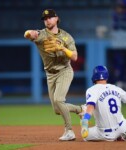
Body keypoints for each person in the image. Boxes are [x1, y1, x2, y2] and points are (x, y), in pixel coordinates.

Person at [24, 9, 85, 141]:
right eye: (45, 19)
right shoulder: (41, 35)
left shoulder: (66, 37)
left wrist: (62, 48)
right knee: (58, 110)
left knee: (59, 100)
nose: (47, 20)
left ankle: (69, 131)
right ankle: (81, 109)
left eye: (50, 17)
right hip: (50, 74)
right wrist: (30, 32)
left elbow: (74, 56)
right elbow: (28, 35)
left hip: (64, 71)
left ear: (56, 18)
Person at [81, 65, 126, 141]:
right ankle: (121, 134)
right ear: (106, 76)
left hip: (105, 134)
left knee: (85, 136)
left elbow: (90, 107)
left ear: (94, 77)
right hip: (122, 127)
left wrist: (84, 121)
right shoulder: (116, 88)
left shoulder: (92, 90)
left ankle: (116, 136)